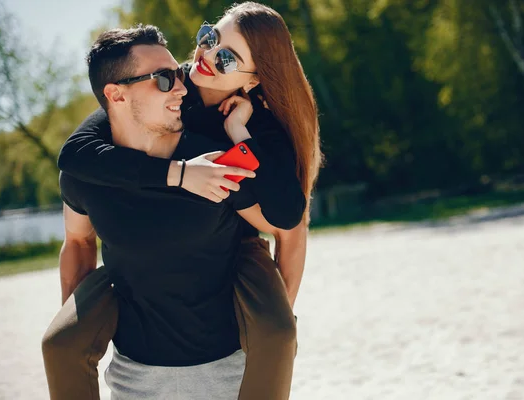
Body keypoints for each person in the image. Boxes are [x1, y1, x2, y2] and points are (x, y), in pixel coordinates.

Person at [43, 3, 322, 400]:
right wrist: (180, 174)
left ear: (255, 79)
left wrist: (240, 132)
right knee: (61, 342)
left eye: (227, 57)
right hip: (149, 255)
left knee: (276, 332)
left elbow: (288, 219)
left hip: (235, 243)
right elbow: (74, 155)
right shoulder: (173, 86)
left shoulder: (258, 124)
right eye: (209, 37)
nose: (206, 56)